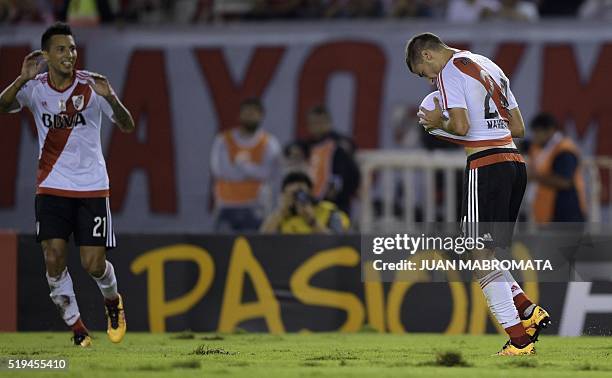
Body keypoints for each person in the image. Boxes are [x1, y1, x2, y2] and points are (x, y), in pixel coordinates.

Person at [406, 32, 549, 355]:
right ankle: (528, 310)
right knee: (488, 253)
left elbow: (459, 125)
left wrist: (434, 124)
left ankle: (520, 341)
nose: (429, 81)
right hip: (514, 165)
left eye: (422, 72)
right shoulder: (489, 65)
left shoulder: (449, 71)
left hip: (486, 167)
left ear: (427, 55)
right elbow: (518, 129)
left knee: (478, 257)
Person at [0, 22, 133, 347]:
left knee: (94, 264)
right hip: (51, 187)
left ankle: (112, 302)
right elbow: (2, 107)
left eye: (72, 48)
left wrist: (112, 98)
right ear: (46, 54)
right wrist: (21, 79)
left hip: (92, 189)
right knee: (53, 256)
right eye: (61, 49)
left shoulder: (92, 86)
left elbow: (127, 126)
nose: (69, 55)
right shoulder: (36, 87)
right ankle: (77, 328)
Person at [210, 97, 280, 232]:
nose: (250, 117)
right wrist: (252, 172)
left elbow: (268, 173)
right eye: (247, 113)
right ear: (240, 115)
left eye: (253, 114)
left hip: (256, 208)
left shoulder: (269, 142)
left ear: (261, 116)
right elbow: (220, 171)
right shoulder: (223, 140)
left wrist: (242, 165)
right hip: (226, 206)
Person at [527, 113, 586, 223]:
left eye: (537, 132)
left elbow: (564, 181)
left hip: (566, 214)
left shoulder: (564, 151)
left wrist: (534, 177)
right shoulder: (542, 148)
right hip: (549, 213)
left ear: (550, 130)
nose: (535, 136)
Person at [305, 105, 360, 215]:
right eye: (313, 123)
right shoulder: (307, 146)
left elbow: (352, 173)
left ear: (328, 122)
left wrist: (337, 190)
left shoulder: (339, 145)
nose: (317, 126)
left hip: (338, 204)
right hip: (313, 203)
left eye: (321, 122)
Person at [260, 171, 350, 234]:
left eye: (300, 193)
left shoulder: (328, 211)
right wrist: (282, 211)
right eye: (292, 194)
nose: (297, 198)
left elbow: (338, 242)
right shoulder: (279, 217)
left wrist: (312, 221)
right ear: (284, 195)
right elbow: (261, 240)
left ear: (310, 192)